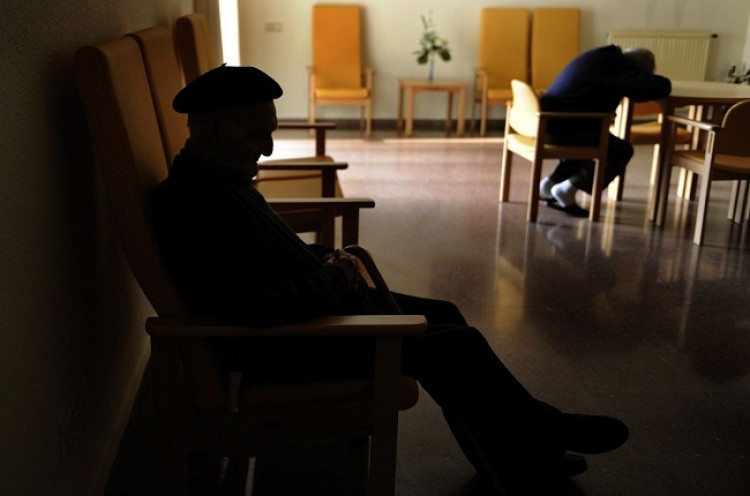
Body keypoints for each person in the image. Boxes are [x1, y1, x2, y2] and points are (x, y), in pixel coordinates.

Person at [151, 65, 629, 494]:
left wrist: (327, 257)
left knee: (444, 314)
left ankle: (510, 454)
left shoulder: (216, 180)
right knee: (454, 345)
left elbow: (273, 257)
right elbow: (262, 306)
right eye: (258, 135)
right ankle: (543, 435)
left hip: (308, 320)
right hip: (288, 345)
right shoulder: (198, 204)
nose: (269, 148)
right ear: (216, 130)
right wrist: (336, 278)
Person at [539, 45, 672, 217]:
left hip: (549, 123)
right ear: (637, 69)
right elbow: (655, 87)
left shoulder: (601, 58)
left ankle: (548, 185)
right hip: (565, 128)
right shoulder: (615, 68)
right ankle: (567, 189)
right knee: (621, 151)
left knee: (587, 147)